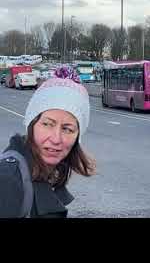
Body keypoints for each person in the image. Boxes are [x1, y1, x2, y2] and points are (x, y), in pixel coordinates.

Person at [0, 66, 96, 218]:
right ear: (32, 125)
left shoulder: (51, 174)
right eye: (47, 124)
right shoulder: (7, 180)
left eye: (67, 129)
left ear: (78, 136)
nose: (56, 139)